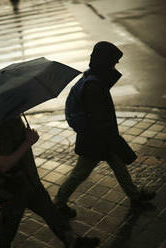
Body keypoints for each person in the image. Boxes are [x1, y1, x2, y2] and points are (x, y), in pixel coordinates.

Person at [54, 41, 156, 219]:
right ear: (105, 61)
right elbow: (101, 121)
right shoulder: (94, 86)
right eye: (113, 62)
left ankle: (135, 196)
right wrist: (118, 143)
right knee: (79, 174)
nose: (115, 66)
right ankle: (59, 203)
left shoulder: (93, 78)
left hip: (100, 138)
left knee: (119, 168)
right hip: (95, 141)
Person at [0, 115, 99, 248]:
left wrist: (27, 138)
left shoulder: (15, 118)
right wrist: (28, 142)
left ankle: (73, 241)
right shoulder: (2, 128)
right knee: (5, 231)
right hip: (15, 189)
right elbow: (4, 165)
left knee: (52, 214)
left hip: (31, 183)